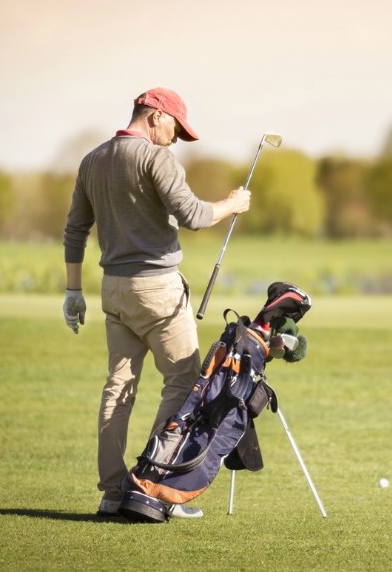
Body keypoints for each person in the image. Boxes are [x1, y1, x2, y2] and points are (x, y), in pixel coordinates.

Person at [61, 88, 250, 519]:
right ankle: (154, 486)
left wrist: (73, 291)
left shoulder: (92, 160)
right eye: (175, 129)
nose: (175, 139)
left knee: (118, 389)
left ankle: (112, 493)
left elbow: (74, 231)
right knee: (185, 385)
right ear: (155, 117)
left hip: (114, 290)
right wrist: (233, 203)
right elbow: (196, 217)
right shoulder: (155, 158)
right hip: (159, 290)